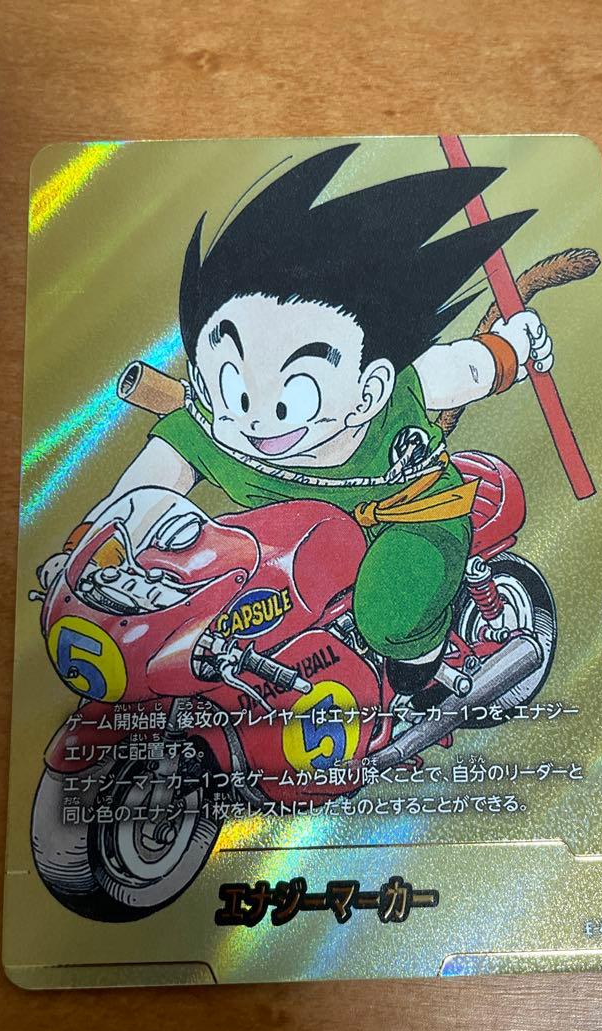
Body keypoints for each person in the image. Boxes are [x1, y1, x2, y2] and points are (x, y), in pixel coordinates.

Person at [41, 143, 553, 707]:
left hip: (411, 518)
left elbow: (461, 370)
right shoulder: (212, 432)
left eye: (296, 392)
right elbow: (146, 487)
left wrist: (512, 346)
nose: (256, 415)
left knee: (391, 612)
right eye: (232, 383)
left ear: (369, 390)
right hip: (291, 548)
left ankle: (420, 671)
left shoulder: (398, 392)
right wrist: (85, 547)